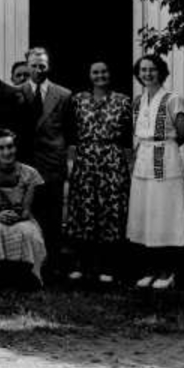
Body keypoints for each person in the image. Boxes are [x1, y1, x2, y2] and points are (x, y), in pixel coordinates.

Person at [65, 60, 133, 283]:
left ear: (110, 74)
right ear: (89, 75)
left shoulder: (123, 101)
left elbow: (129, 138)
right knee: (83, 211)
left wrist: (129, 166)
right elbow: (70, 134)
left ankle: (109, 266)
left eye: (104, 71)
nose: (100, 75)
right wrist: (71, 162)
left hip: (112, 160)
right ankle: (81, 264)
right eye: (95, 72)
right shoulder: (78, 100)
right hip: (85, 160)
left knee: (110, 211)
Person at [128, 54, 184, 290]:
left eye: (152, 69)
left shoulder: (173, 99)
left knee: (165, 216)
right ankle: (150, 270)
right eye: (143, 70)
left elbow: (183, 134)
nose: (147, 74)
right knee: (145, 216)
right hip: (142, 160)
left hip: (165, 159)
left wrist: (163, 149)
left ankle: (168, 272)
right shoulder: (138, 101)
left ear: (161, 72)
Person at [18, 46, 73, 269]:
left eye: (42, 65)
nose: (38, 69)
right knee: (29, 212)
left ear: (48, 66)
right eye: (34, 65)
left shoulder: (63, 94)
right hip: (26, 162)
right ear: (26, 65)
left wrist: (67, 161)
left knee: (52, 214)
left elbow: (70, 132)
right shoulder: (17, 92)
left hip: (52, 164)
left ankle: (53, 262)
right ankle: (29, 260)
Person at [0, 130, 46, 287]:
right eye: (1, 148)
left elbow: (27, 209)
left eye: (10, 147)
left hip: (22, 218)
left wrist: (18, 216)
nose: (6, 152)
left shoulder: (30, 173)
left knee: (27, 231)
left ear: (16, 148)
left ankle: (28, 274)